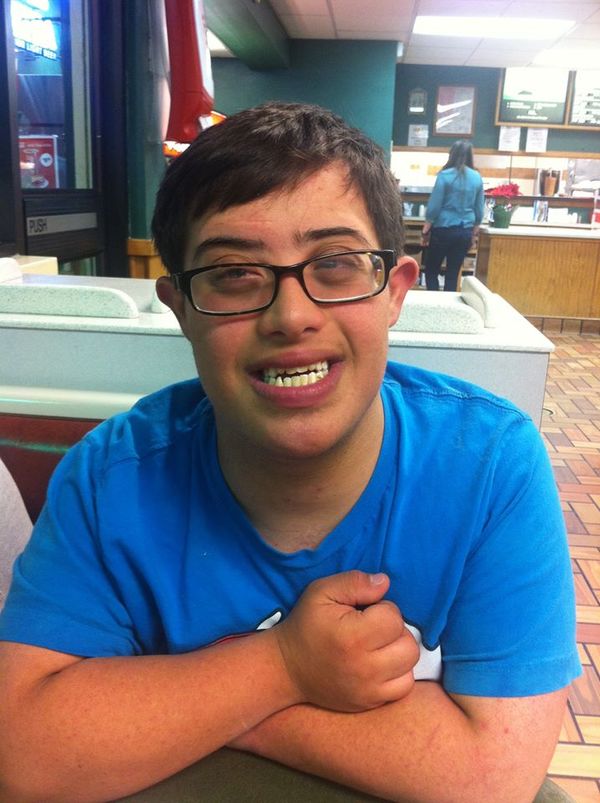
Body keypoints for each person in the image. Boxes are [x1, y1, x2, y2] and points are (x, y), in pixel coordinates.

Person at [0, 102, 580, 802]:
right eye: (233, 273)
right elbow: (23, 751)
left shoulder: (490, 464)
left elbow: (494, 775)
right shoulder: (109, 478)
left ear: (395, 292)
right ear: (181, 309)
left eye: (335, 264)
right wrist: (284, 666)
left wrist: (182, 703)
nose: (291, 316)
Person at [421, 140, 484, 292]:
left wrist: (426, 227)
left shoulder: (444, 176)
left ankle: (434, 301)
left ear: (452, 155)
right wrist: (475, 229)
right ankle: (448, 303)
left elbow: (435, 205)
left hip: (443, 229)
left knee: (431, 270)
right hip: (464, 231)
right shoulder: (477, 177)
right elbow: (479, 207)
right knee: (453, 273)